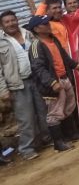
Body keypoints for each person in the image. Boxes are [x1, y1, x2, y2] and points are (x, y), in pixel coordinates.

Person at [27, 15, 79, 152]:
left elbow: (64, 57)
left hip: (64, 78)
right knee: (55, 112)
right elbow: (38, 68)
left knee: (69, 106)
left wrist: (75, 65)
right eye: (45, 24)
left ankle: (71, 134)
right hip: (54, 82)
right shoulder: (36, 46)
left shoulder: (54, 39)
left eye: (48, 22)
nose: (48, 25)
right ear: (36, 29)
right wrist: (52, 82)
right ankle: (58, 142)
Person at [0, 10, 49, 160]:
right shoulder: (1, 42)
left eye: (13, 20)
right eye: (7, 22)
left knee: (43, 112)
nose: (11, 23)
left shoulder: (28, 33)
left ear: (17, 20)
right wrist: (3, 89)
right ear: (2, 25)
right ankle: (26, 149)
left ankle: (47, 139)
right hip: (18, 85)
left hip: (37, 80)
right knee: (26, 118)